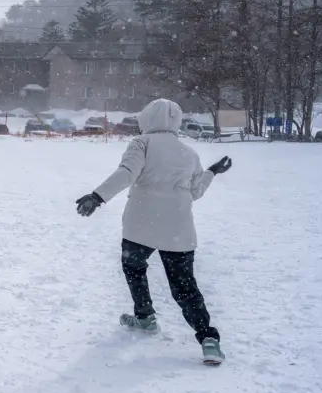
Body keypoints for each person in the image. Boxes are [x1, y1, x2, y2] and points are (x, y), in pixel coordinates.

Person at [74, 98, 233, 364]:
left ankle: (145, 316)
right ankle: (208, 338)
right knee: (184, 287)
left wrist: (97, 196)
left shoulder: (141, 143)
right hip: (178, 229)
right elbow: (195, 192)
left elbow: (126, 173)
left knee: (134, 268)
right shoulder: (188, 154)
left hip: (141, 225)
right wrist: (212, 172)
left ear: (146, 119)